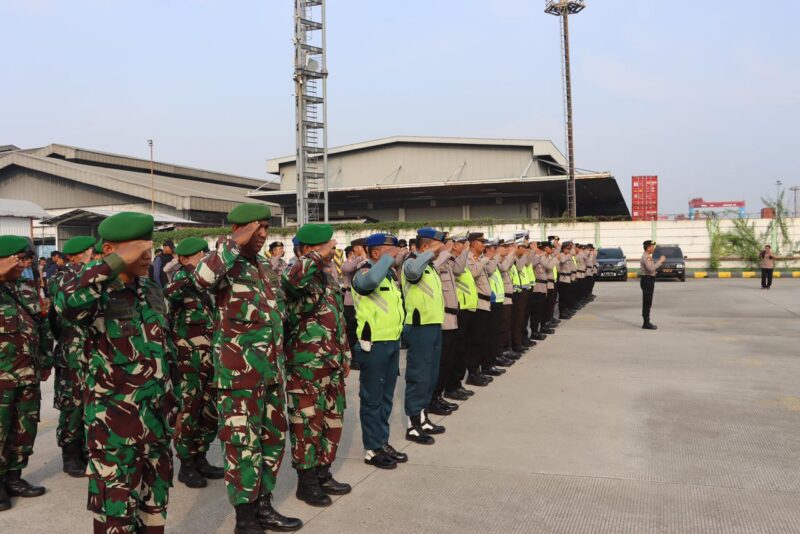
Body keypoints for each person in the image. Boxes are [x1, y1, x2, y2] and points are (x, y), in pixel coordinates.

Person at [56, 212, 179, 533]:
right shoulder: (93, 293)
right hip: (115, 431)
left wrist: (174, 404)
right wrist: (112, 264)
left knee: (155, 511)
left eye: (149, 249)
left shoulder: (150, 289)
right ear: (111, 250)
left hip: (156, 425)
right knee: (116, 516)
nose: (147, 257)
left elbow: (165, 351)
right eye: (138, 249)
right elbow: (66, 302)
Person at [193, 203, 302, 533]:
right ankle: (245, 519)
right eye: (257, 230)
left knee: (271, 442)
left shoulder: (263, 269)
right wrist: (234, 242)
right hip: (238, 378)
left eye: (266, 229)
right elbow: (202, 279)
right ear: (239, 231)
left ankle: (263, 506)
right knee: (242, 446)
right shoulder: (223, 264)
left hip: (269, 375)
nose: (264, 235)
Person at [281, 223, 352, 507]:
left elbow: (338, 319)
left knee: (332, 422)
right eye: (327, 246)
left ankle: (323, 471)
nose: (332, 249)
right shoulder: (293, 273)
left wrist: (345, 353)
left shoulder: (327, 278)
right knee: (306, 426)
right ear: (309, 249)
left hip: (331, 363)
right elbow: (292, 280)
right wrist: (316, 255)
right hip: (305, 366)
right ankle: (306, 482)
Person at [165, 237, 224, 490]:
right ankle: (187, 464)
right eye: (201, 257)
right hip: (188, 363)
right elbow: (168, 297)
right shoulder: (180, 284)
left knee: (209, 412)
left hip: (211, 360)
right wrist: (191, 273)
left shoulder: (207, 288)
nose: (205, 261)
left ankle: (201, 456)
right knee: (189, 411)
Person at [0, 235, 53, 512]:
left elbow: (42, 328)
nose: (24, 264)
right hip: (2, 378)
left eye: (25, 259)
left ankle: (14, 478)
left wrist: (45, 361)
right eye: (18, 259)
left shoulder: (27, 290)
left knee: (24, 430)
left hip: (28, 374)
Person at [351, 233, 407, 470]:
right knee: (372, 398)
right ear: (375, 253)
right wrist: (386, 260)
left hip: (391, 342)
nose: (395, 253)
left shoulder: (390, 274)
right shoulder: (363, 271)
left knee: (385, 397)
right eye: (389, 249)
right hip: (373, 345)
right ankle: (372, 449)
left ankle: (382, 442)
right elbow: (367, 285)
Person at [48, 235, 95, 478]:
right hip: (71, 353)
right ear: (82, 253)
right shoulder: (61, 278)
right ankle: (70, 452)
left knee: (89, 402)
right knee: (72, 404)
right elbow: (54, 318)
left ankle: (86, 450)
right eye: (90, 252)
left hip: (88, 350)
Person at [401, 228, 447, 444]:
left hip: (433, 325)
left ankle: (423, 416)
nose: (439, 251)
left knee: (430, 374)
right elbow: (412, 274)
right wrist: (429, 253)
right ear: (425, 247)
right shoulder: (411, 262)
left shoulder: (428, 265)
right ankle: (412, 425)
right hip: (419, 327)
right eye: (437, 247)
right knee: (418, 375)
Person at [432, 233, 469, 407]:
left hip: (453, 316)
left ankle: (445, 391)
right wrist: (444, 253)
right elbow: (432, 269)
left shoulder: (447, 261)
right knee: (442, 360)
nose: (452, 246)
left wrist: (463, 252)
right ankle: (435, 396)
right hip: (443, 318)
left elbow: (459, 269)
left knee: (451, 356)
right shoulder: (433, 262)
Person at [341, 238, 367, 370]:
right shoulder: (352, 260)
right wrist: (359, 259)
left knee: (362, 329)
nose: (355, 251)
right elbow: (346, 267)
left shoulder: (367, 261)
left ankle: (362, 356)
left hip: (363, 299)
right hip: (350, 300)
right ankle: (353, 359)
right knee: (351, 330)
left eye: (357, 248)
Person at [640, 240, 666, 330]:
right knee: (647, 301)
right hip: (647, 280)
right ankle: (646, 322)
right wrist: (660, 261)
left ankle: (646, 321)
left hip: (649, 279)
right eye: (652, 246)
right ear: (648, 247)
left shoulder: (648, 257)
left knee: (648, 301)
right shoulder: (646, 257)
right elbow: (651, 269)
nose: (653, 248)